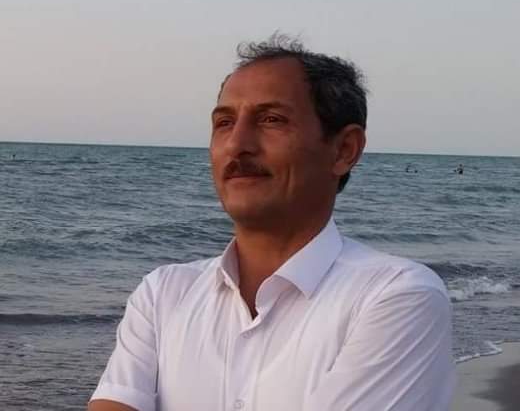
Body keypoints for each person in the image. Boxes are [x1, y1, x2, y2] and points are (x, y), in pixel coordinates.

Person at [89, 35, 455, 411]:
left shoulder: (395, 296)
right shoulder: (163, 294)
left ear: (344, 150)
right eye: (224, 123)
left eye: (271, 120)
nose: (237, 144)